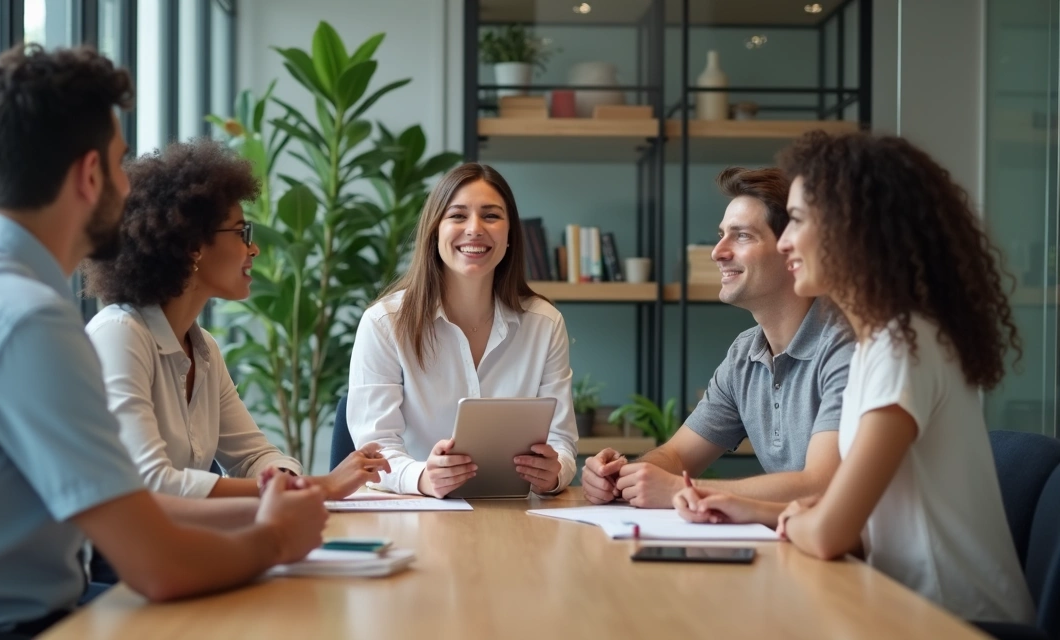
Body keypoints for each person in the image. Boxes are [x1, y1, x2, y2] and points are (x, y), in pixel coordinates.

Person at [0, 45, 326, 637]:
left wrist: (266, 514)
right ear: (90, 174)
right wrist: (276, 537)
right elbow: (158, 566)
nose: (130, 191)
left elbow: (137, 511)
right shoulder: (26, 320)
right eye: (122, 166)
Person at [673, 131, 1032, 624]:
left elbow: (830, 534)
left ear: (855, 229)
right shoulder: (877, 346)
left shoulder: (904, 346)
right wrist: (750, 508)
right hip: (895, 606)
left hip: (955, 623)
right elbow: (866, 529)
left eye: (797, 221)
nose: (785, 241)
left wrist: (803, 518)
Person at [81, 139, 389, 501]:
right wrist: (317, 487)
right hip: (120, 556)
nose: (253, 248)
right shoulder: (120, 336)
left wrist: (287, 482)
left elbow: (255, 457)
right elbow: (152, 483)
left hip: (187, 543)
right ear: (193, 245)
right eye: (242, 232)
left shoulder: (203, 348)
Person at [581, 167, 853, 508]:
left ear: (792, 248)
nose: (717, 252)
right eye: (721, 234)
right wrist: (624, 477)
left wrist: (685, 491)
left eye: (741, 236)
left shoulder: (844, 344)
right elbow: (677, 455)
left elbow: (823, 486)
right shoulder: (744, 354)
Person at [347, 163, 578, 498]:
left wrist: (555, 473)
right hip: (415, 514)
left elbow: (562, 442)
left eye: (491, 216)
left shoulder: (544, 323)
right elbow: (376, 450)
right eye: (457, 216)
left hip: (516, 516)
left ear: (510, 234)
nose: (474, 229)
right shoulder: (384, 323)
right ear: (435, 231)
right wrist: (423, 477)